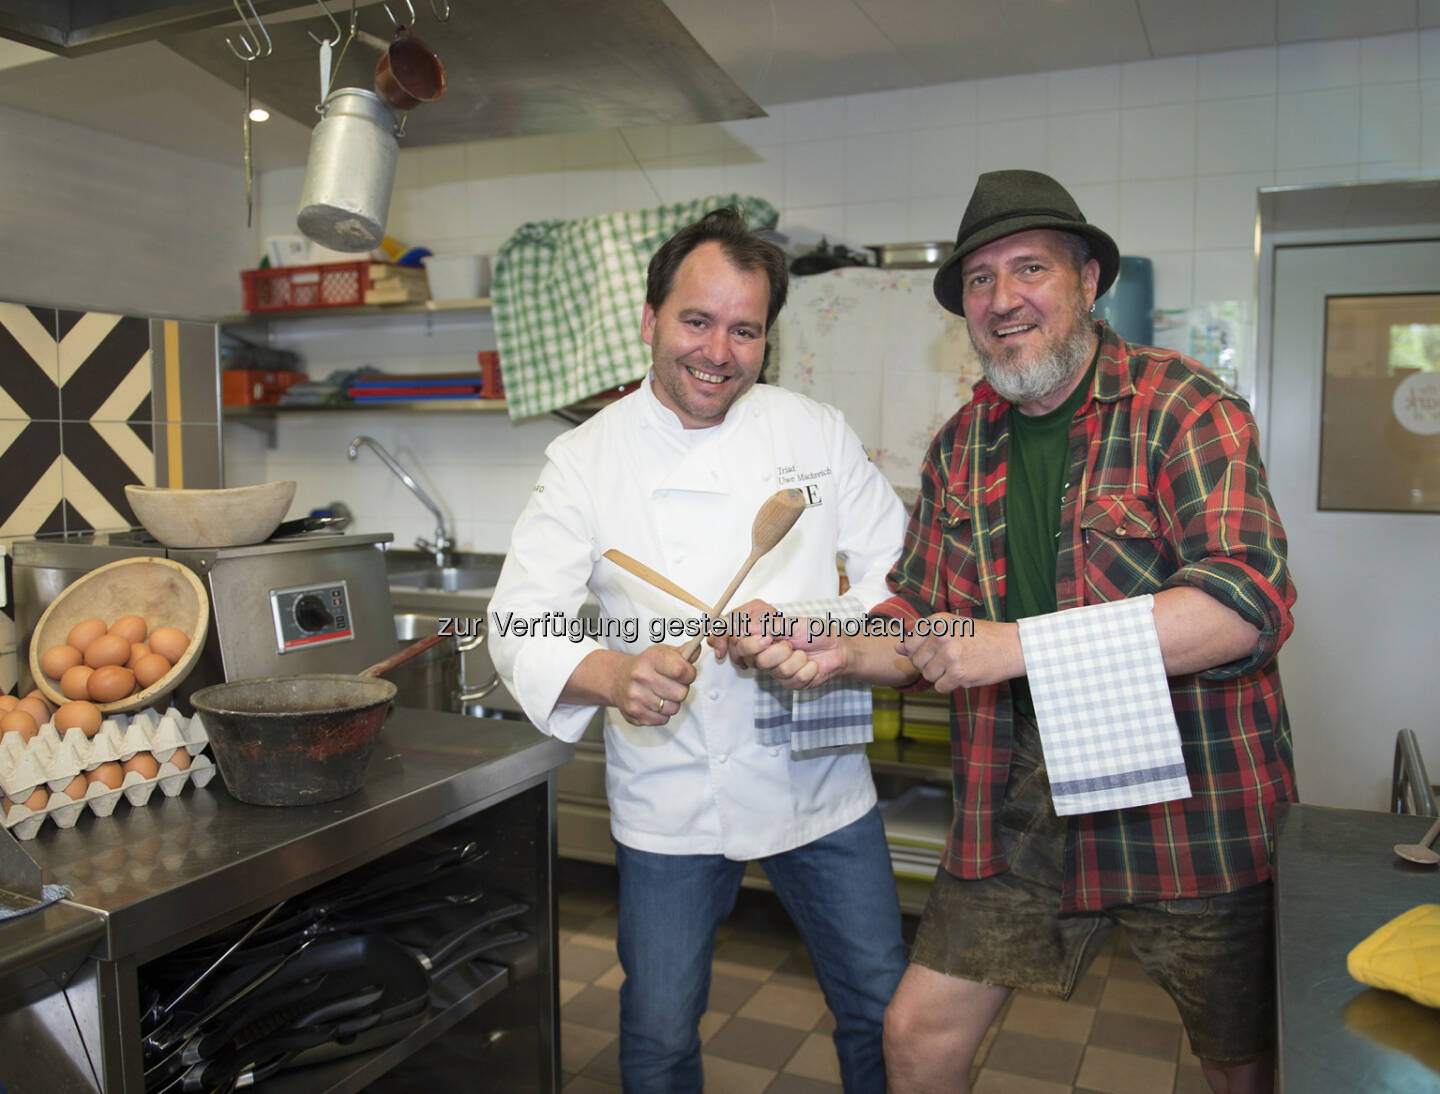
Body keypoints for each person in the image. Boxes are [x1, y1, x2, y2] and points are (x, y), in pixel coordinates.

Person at [732, 171, 1296, 1094]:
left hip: (1197, 800)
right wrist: (831, 645)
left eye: (1027, 268)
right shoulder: (962, 444)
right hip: (1023, 795)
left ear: (1087, 279)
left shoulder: (1184, 407)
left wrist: (1019, 645)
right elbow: (914, 620)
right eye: (980, 283)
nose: (1002, 300)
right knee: (915, 1038)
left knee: (1244, 1063)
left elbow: (1245, 605)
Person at [487, 206, 909, 1092]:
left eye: (745, 329)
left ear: (767, 340)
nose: (719, 351)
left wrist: (824, 633)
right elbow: (519, 617)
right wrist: (612, 673)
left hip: (820, 778)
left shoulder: (814, 433)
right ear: (649, 322)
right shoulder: (585, 459)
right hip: (674, 784)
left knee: (879, 1007)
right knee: (660, 1030)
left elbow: (896, 575)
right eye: (697, 320)